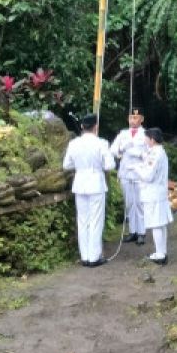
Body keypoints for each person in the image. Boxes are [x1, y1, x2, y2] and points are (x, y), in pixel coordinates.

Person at [62, 113, 114, 267]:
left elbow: (66, 165)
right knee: (96, 220)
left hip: (80, 183)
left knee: (82, 220)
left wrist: (80, 167)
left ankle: (84, 256)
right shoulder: (101, 143)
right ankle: (94, 256)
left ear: (83, 127)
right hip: (96, 183)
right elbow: (110, 165)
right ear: (96, 127)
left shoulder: (74, 144)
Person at [110, 108, 150, 245]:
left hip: (139, 172)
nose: (133, 120)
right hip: (126, 172)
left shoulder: (146, 134)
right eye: (131, 117)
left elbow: (150, 153)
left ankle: (141, 232)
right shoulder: (123, 134)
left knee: (139, 203)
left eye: (136, 117)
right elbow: (113, 150)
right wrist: (122, 148)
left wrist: (139, 154)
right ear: (128, 119)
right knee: (129, 203)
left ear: (141, 119)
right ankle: (133, 231)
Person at [141, 127, 174, 264]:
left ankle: (160, 254)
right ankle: (162, 252)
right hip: (158, 192)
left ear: (152, 139)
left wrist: (137, 170)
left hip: (153, 193)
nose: (145, 140)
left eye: (146, 138)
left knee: (156, 224)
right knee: (160, 224)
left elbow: (148, 175)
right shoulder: (158, 152)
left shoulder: (155, 154)